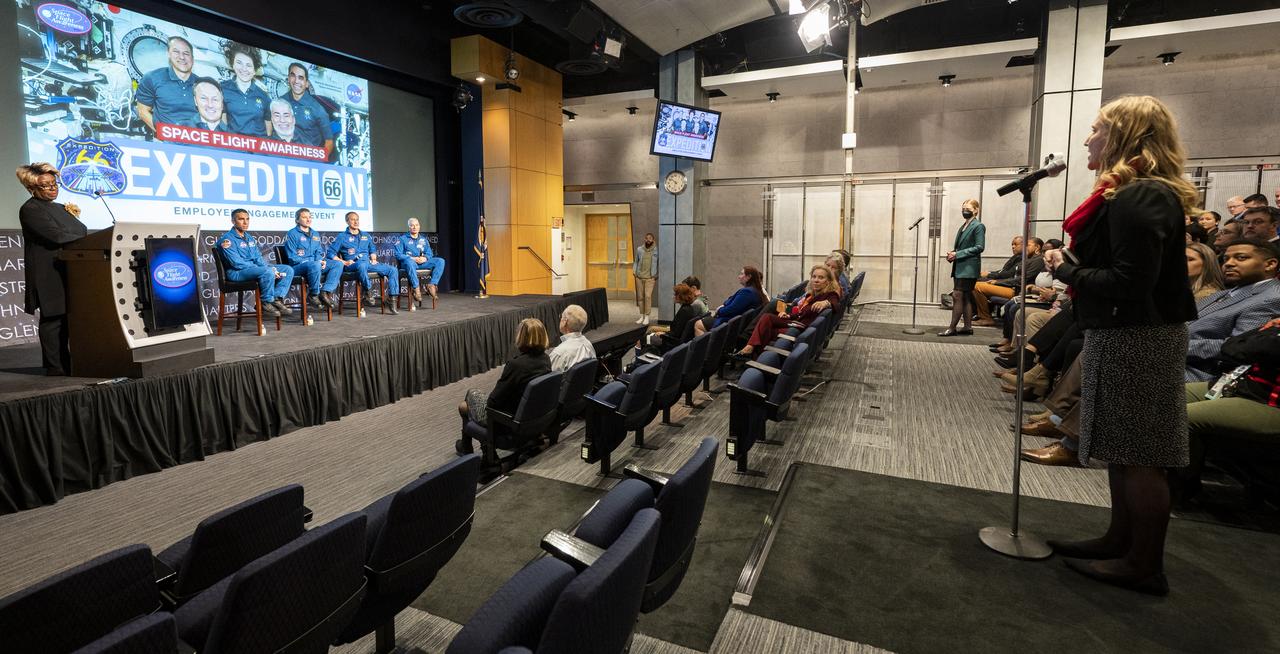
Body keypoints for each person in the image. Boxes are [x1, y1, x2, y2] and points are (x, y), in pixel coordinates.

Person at [1041, 95, 1201, 595]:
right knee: (1120, 447)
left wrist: (1064, 269)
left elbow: (1130, 281)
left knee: (1139, 452)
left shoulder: (1142, 195)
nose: (1088, 138)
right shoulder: (1130, 193)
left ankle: (1143, 564)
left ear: (1127, 136)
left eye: (1096, 129)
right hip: (1124, 332)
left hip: (1140, 335)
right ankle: (1119, 540)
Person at [16, 162, 87, 375]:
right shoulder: (30, 209)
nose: (52, 188)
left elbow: (81, 229)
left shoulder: (59, 207)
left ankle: (69, 364)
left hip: (67, 269)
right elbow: (56, 236)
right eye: (46, 186)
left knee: (67, 320)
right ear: (32, 189)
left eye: (54, 183)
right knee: (53, 320)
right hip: (48, 273)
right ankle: (55, 367)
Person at [1184, 239, 1280, 381]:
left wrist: (1173, 345)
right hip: (1177, 359)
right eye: (1225, 258)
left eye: (1241, 258)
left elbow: (1238, 348)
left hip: (1201, 372)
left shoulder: (1271, 298)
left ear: (1270, 264)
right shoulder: (1225, 293)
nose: (1228, 263)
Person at [455, 318, 551, 454]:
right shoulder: (545, 359)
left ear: (521, 337)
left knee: (470, 396)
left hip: (508, 423)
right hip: (532, 417)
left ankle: (479, 451)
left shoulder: (516, 365)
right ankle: (473, 448)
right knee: (464, 406)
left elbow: (492, 403)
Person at [733, 264, 839, 359]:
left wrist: (826, 303)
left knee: (767, 318)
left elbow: (836, 303)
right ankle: (754, 355)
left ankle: (750, 349)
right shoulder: (811, 295)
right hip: (796, 322)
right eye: (814, 277)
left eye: (821, 277)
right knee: (766, 323)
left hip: (800, 328)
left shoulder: (829, 295)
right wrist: (788, 315)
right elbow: (801, 312)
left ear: (828, 281)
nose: (816, 280)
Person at [218, 209, 294, 318]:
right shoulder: (227, 240)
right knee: (267, 271)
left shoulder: (249, 238)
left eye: (247, 219)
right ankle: (266, 302)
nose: (245, 222)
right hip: (236, 273)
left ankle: (276, 299)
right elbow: (237, 263)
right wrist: (264, 269)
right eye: (241, 219)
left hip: (253, 270)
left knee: (287, 270)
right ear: (233, 221)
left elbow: (258, 258)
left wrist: (269, 268)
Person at [327, 211, 400, 314]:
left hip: (368, 263)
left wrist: (374, 257)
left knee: (392, 270)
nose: (356, 222)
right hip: (352, 265)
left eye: (357, 219)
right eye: (352, 219)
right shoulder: (342, 237)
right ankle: (368, 291)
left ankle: (391, 300)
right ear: (347, 221)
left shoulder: (365, 235)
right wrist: (343, 261)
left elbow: (372, 248)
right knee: (362, 265)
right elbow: (330, 253)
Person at [974, 237, 1044, 326]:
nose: (1025, 247)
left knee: (977, 286)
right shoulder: (1027, 258)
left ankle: (986, 318)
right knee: (977, 283)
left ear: (1037, 247)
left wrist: (999, 282)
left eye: (1028, 245)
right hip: (1012, 286)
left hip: (1018, 290)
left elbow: (1022, 280)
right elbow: (1011, 274)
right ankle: (980, 315)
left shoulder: (1038, 260)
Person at [939, 199, 985, 336]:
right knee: (964, 297)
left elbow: (979, 247)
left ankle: (952, 328)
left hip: (969, 268)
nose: (965, 210)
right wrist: (953, 254)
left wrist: (957, 254)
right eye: (963, 208)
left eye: (968, 208)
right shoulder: (964, 225)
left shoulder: (978, 226)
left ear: (976, 210)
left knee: (957, 295)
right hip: (961, 266)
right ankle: (967, 327)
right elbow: (961, 246)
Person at [135, 36, 198, 132]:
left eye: (186, 53)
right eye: (176, 52)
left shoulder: (203, 84)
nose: (182, 57)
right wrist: (164, 134)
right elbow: (142, 111)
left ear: (192, 58)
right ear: (168, 54)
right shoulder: (152, 78)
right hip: (165, 144)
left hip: (198, 143)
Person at [282, 207, 342, 309]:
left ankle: (325, 292)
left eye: (310, 217)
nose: (308, 219)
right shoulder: (292, 234)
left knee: (338, 264)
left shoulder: (315, 234)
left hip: (315, 266)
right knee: (315, 264)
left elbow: (318, 252)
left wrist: (320, 260)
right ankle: (313, 294)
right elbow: (292, 257)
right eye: (304, 217)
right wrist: (316, 262)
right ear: (297, 220)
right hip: (298, 267)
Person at [693, 266, 766, 336]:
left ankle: (706, 348)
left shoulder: (747, 292)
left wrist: (719, 310)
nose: (739, 276)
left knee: (698, 324)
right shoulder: (755, 291)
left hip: (728, 323)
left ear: (748, 277)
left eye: (741, 274)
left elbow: (732, 309)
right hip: (735, 322)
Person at [280, 63, 334, 156]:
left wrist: (318, 163)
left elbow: (329, 142)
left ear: (307, 84)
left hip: (307, 160)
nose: (296, 81)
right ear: (288, 78)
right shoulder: (280, 102)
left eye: (301, 78)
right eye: (293, 76)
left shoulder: (317, 109)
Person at [220, 43, 271, 137]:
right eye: (239, 63)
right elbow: (223, 124)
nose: (244, 69)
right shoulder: (222, 89)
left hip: (258, 148)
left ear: (254, 70)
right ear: (233, 64)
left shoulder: (264, 96)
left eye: (248, 65)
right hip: (235, 147)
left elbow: (269, 130)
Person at [640, 283, 699, 355]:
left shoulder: (684, 311)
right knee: (650, 333)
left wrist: (664, 333)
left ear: (681, 296)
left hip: (671, 342)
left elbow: (675, 333)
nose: (673, 296)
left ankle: (638, 363)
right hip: (677, 341)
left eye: (675, 294)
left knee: (643, 339)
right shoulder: (689, 308)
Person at [395, 217, 445, 302]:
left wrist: (425, 258)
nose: (415, 227)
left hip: (422, 263)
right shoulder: (402, 239)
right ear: (409, 227)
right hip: (409, 264)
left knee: (440, 261)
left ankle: (432, 285)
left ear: (419, 226)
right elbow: (398, 254)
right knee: (409, 262)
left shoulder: (423, 239)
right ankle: (416, 289)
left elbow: (429, 253)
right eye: (412, 225)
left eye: (416, 225)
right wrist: (412, 258)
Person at [549, 304, 595, 372]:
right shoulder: (588, 345)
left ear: (565, 322)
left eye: (561, 317)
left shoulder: (559, 353)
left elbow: (549, 379)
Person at [633, 232, 658, 325]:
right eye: (646, 238)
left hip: (650, 278)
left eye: (650, 238)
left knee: (647, 296)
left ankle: (647, 316)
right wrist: (634, 272)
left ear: (653, 240)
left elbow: (660, 262)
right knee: (640, 297)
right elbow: (636, 261)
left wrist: (655, 274)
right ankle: (641, 316)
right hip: (639, 277)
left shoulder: (656, 250)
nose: (648, 240)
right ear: (645, 239)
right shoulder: (639, 249)